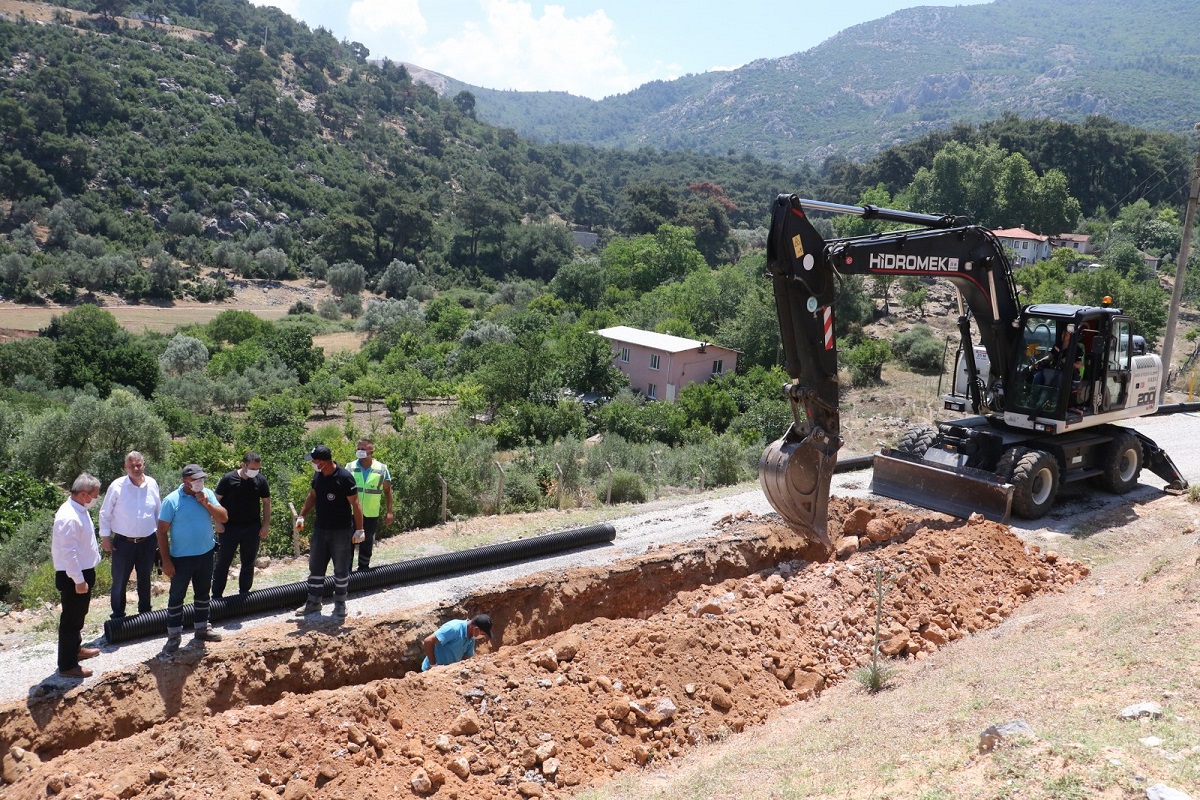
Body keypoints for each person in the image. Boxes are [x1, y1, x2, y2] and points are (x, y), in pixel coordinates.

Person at [156, 464, 228, 653]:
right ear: (184, 481)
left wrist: (206, 503)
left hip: (205, 554)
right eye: (195, 479)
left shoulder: (207, 494)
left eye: (201, 478)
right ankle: (173, 636)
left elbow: (224, 517)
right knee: (176, 596)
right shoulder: (171, 501)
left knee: (203, 594)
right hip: (181, 558)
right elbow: (161, 532)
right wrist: (166, 561)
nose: (199, 482)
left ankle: (202, 629)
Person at [294, 445, 364, 619]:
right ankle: (314, 602)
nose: (312, 464)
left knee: (341, 569)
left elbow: (355, 504)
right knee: (316, 567)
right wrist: (302, 516)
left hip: (341, 531)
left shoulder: (344, 478)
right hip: (321, 530)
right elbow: (312, 496)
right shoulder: (318, 475)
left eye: (314, 461)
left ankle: (340, 603)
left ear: (323, 462)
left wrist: (360, 529)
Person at [98, 451, 161, 619]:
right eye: (131, 465)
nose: (135, 468)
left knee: (145, 579)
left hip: (148, 541)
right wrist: (105, 538)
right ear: (125, 467)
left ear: (144, 465)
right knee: (119, 581)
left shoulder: (152, 484)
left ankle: (145, 614)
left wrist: (160, 538)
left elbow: (157, 512)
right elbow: (105, 513)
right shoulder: (117, 486)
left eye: (138, 464)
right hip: (123, 542)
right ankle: (118, 616)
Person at [52, 473, 103, 679]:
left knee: (79, 615)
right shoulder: (69, 516)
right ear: (83, 494)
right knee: (71, 620)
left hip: (82, 572)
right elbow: (69, 552)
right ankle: (67, 665)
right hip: (74, 575)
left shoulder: (79, 509)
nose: (96, 499)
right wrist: (79, 580)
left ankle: (76, 649)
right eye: (95, 495)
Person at [212, 451, 272, 598]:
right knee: (223, 563)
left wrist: (265, 525)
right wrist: (217, 522)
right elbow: (215, 501)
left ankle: (244, 595)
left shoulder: (260, 480)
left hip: (252, 528)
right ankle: (216, 596)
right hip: (229, 528)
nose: (255, 472)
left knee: (248, 563)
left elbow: (266, 502)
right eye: (252, 468)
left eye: (257, 469)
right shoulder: (228, 479)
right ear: (243, 465)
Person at [346, 438, 393, 571]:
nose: (360, 451)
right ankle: (346, 572)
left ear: (371, 450)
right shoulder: (349, 467)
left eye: (363, 449)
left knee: (367, 543)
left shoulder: (382, 469)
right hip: (351, 513)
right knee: (348, 542)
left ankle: (364, 571)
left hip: (371, 513)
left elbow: (388, 492)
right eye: (358, 448)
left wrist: (389, 512)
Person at [421, 614, 492, 671]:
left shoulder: (471, 638)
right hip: (430, 672)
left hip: (447, 673)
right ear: (476, 629)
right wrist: (433, 665)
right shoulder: (453, 628)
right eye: (483, 634)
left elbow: (466, 658)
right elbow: (428, 641)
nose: (482, 636)